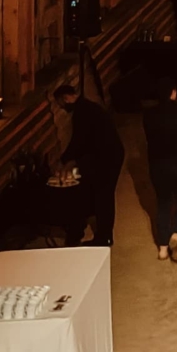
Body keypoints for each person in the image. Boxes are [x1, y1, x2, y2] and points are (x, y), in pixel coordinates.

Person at [55, 77, 125, 245]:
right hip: (110, 155)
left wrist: (67, 160)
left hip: (108, 157)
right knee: (102, 195)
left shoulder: (82, 113)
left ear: (66, 98)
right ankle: (103, 234)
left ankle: (104, 237)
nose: (62, 108)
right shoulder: (87, 108)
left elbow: (79, 140)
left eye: (60, 104)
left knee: (104, 196)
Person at [139, 87, 177, 262]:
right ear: (173, 93)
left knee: (163, 204)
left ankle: (163, 248)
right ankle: (176, 233)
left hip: (158, 167)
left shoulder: (148, 115)